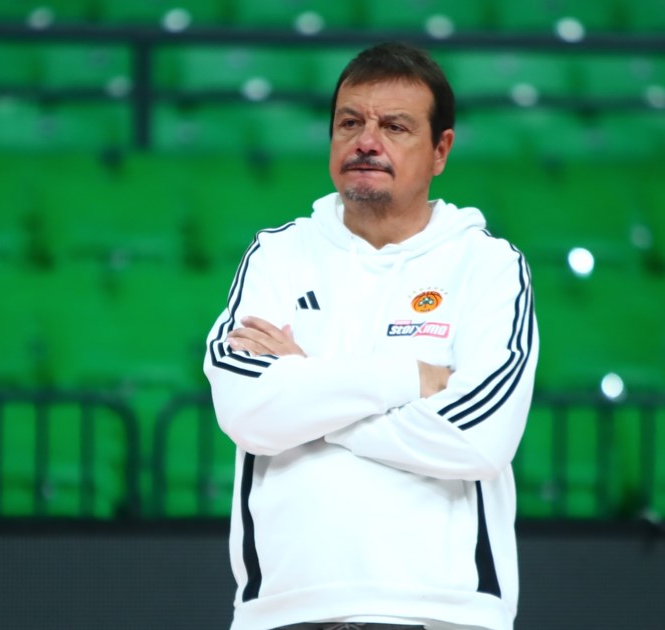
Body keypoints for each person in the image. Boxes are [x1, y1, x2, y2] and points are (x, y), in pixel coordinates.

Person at [203, 42, 538, 630]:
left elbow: (479, 439)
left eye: (395, 127)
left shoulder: (488, 265)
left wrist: (310, 388)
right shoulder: (277, 254)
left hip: (443, 614)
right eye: (350, 122)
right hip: (283, 612)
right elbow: (249, 410)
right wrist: (411, 377)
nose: (366, 141)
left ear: (441, 150)